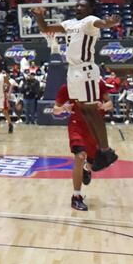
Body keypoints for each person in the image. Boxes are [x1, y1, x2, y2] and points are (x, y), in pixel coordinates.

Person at [33, 0, 121, 170]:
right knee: (83, 109)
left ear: (89, 9)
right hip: (72, 71)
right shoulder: (68, 23)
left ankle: (106, 150)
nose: (78, 8)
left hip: (86, 70)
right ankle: (100, 150)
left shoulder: (90, 21)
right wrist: (39, 16)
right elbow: (45, 28)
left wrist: (110, 23)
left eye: (82, 6)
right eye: (77, 6)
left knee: (92, 110)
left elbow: (102, 24)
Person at [53, 80, 112, 211]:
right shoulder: (68, 86)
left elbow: (110, 104)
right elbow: (55, 110)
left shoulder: (98, 84)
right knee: (80, 156)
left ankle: (87, 168)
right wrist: (64, 108)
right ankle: (76, 197)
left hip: (94, 126)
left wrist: (103, 106)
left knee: (92, 162)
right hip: (77, 125)